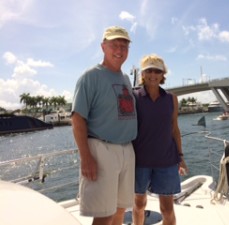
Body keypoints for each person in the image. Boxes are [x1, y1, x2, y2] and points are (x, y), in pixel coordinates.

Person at [71, 26, 137, 225]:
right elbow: (77, 118)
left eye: (124, 45)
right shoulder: (90, 77)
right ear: (103, 47)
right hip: (102, 149)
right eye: (114, 44)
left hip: (127, 149)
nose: (119, 49)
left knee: (119, 210)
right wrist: (85, 156)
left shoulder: (125, 79)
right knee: (104, 215)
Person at [132, 54, 189, 225]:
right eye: (149, 70)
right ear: (142, 74)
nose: (153, 74)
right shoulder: (134, 97)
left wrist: (181, 157)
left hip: (167, 161)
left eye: (157, 71)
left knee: (167, 209)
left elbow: (175, 129)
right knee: (139, 204)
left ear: (163, 75)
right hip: (140, 161)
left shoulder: (171, 99)